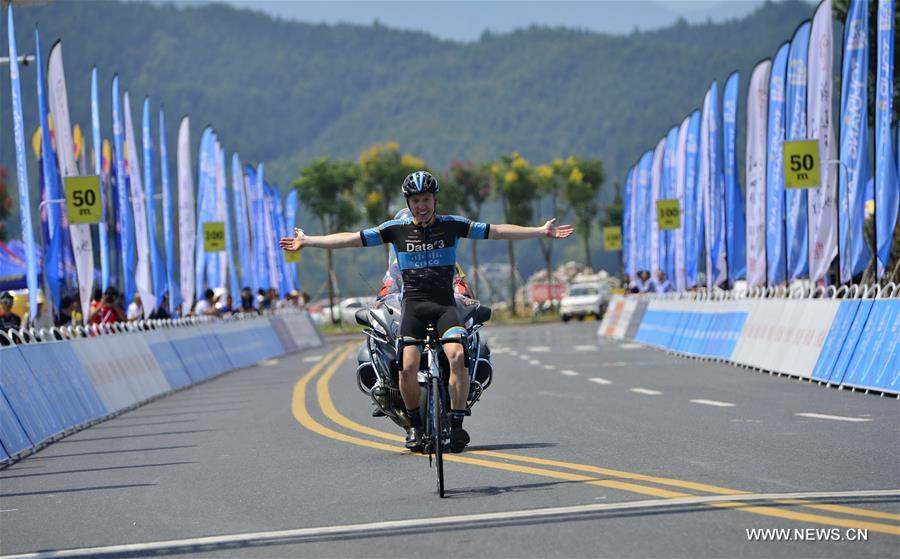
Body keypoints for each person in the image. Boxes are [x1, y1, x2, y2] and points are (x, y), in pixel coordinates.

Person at [280, 170, 574, 453]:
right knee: (406, 367)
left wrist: (539, 231)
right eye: (416, 200)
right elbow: (350, 238)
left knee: (458, 357)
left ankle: (457, 423)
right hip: (414, 307)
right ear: (409, 204)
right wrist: (310, 241)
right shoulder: (395, 230)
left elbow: (496, 231)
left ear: (435, 201)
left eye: (427, 199)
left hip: (445, 305)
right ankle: (415, 426)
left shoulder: (452, 225)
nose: (422, 206)